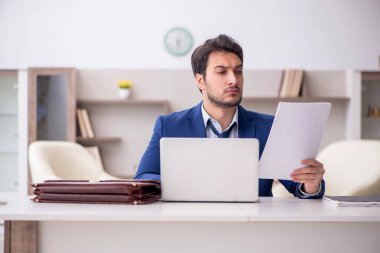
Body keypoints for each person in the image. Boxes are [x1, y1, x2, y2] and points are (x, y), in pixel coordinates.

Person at [135, 34, 325, 198]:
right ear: (200, 80)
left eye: (238, 71)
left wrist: (310, 183)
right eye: (221, 72)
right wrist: (190, 182)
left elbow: (298, 186)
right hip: (191, 222)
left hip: (253, 226)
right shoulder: (168, 125)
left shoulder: (270, 127)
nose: (233, 80)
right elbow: (144, 178)